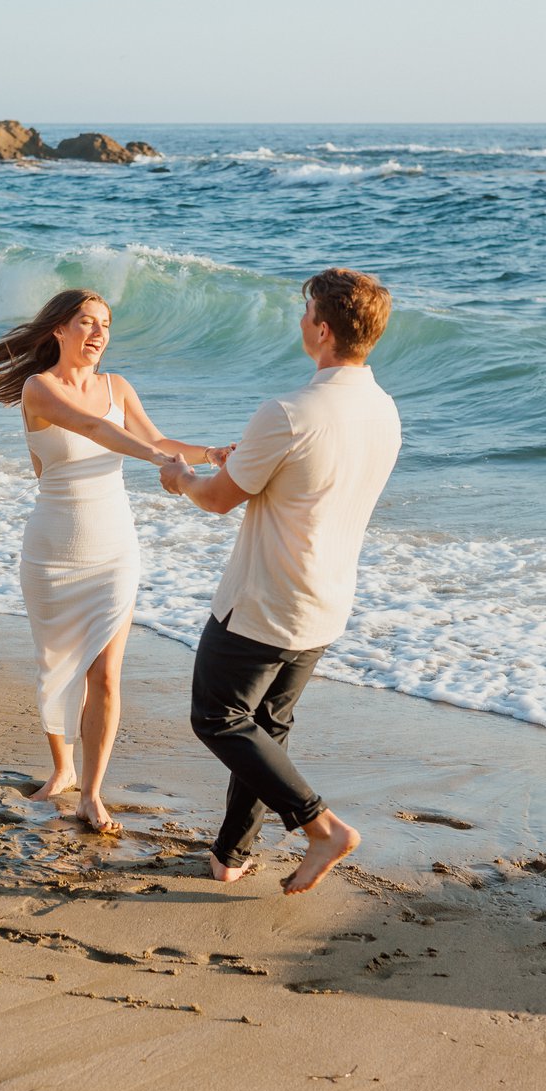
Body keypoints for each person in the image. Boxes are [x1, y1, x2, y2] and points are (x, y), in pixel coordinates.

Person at [0, 288, 231, 833]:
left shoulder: (117, 386)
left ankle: (92, 793)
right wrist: (157, 458)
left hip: (114, 549)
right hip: (53, 548)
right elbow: (95, 429)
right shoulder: (40, 388)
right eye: (87, 321)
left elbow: (158, 437)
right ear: (59, 329)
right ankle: (62, 769)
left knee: (105, 674)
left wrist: (209, 453)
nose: (100, 332)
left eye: (106, 323)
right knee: (58, 666)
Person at [159, 267, 401, 894]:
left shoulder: (289, 412)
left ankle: (321, 825)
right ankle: (230, 856)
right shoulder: (382, 409)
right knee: (263, 728)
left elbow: (216, 500)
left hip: (266, 598)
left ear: (322, 330)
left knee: (217, 717)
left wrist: (180, 476)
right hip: (326, 600)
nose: (300, 323)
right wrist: (249, 459)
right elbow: (310, 481)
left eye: (306, 314)